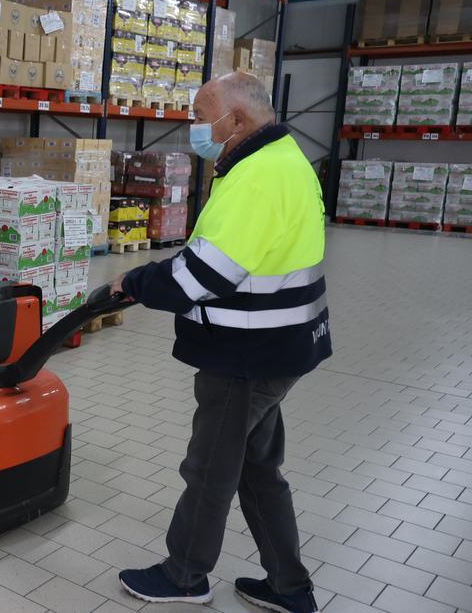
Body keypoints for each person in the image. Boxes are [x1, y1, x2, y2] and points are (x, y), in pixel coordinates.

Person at [111, 72, 330, 613]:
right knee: (256, 468)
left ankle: (185, 575)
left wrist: (134, 282)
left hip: (247, 354)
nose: (194, 126)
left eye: (200, 114)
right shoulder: (284, 160)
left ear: (236, 120)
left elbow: (202, 276)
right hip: (282, 345)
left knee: (210, 468)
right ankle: (289, 587)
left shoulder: (258, 176)